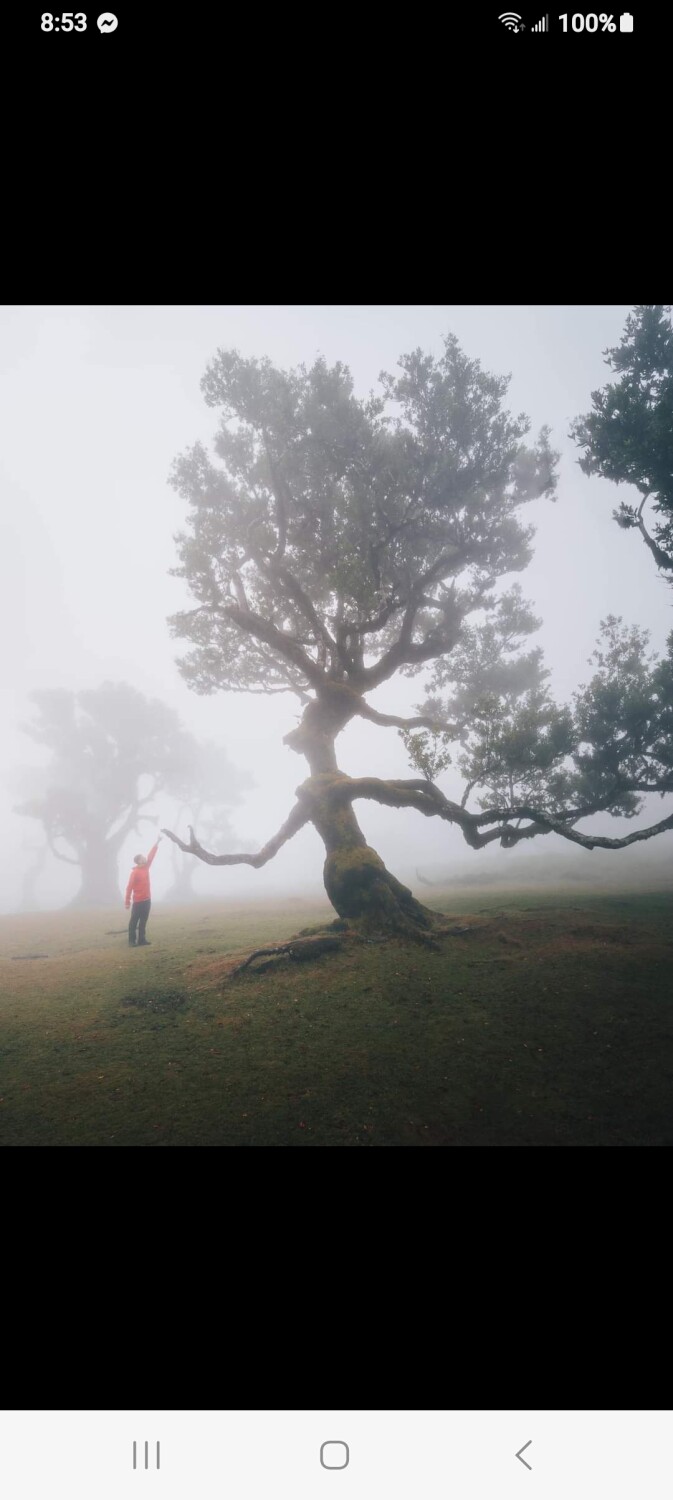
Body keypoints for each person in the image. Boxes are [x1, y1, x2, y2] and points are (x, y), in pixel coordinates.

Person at [125, 836, 162, 947]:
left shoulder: (146, 867)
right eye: (142, 858)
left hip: (147, 900)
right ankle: (132, 941)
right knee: (134, 921)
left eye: (144, 857)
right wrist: (127, 902)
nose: (145, 858)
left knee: (143, 921)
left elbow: (151, 856)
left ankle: (142, 940)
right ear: (138, 861)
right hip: (138, 901)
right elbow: (129, 887)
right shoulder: (135, 872)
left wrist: (157, 842)